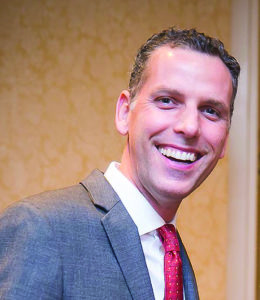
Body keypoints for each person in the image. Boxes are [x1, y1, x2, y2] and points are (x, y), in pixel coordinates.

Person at [0, 27, 240, 300]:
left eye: (211, 111)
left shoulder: (172, 254)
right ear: (124, 113)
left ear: (225, 139)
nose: (189, 127)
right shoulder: (41, 228)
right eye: (167, 101)